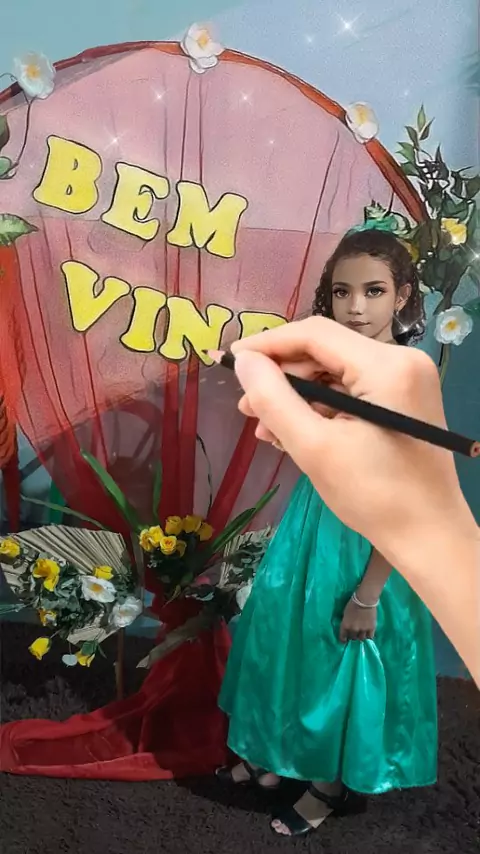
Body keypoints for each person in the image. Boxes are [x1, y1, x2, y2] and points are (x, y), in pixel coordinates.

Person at [215, 229, 472, 839]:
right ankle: (277, 754)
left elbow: (410, 500)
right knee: (290, 643)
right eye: (342, 292)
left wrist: (369, 591)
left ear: (402, 296)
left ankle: (328, 784)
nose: (355, 307)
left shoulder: (408, 379)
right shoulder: (332, 369)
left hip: (368, 544)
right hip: (314, 522)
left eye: (374, 291)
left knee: (343, 655)